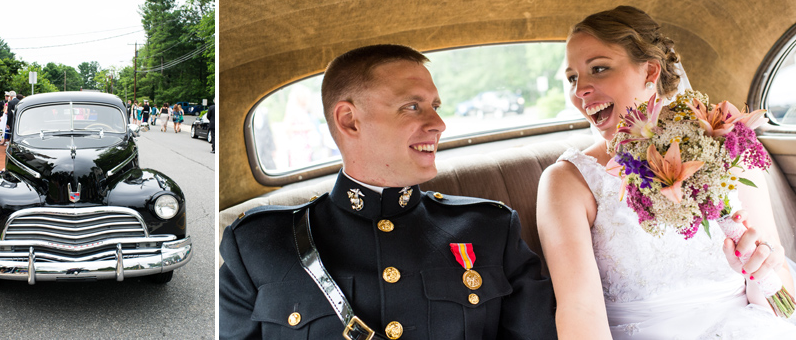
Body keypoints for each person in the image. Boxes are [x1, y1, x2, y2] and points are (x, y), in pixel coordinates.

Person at [536, 6, 796, 339]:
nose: (580, 91)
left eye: (598, 68)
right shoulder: (568, 182)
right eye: (572, 78)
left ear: (650, 71)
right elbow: (579, 310)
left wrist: (757, 273)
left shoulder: (724, 146)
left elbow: (780, 298)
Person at [220, 44, 557, 339]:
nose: (438, 124)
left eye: (435, 106)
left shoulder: (490, 229)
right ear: (350, 120)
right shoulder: (258, 245)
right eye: (412, 106)